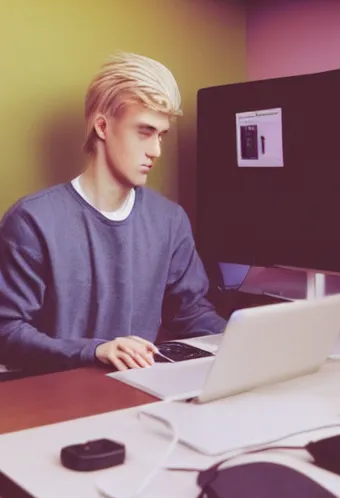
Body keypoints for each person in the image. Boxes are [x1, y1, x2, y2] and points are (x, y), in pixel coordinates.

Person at [0, 52, 226, 372]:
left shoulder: (170, 220)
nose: (156, 150)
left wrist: (248, 337)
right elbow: (7, 332)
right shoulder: (31, 221)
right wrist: (96, 350)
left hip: (140, 391)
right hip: (52, 395)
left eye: (161, 135)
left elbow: (191, 314)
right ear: (103, 126)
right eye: (144, 131)